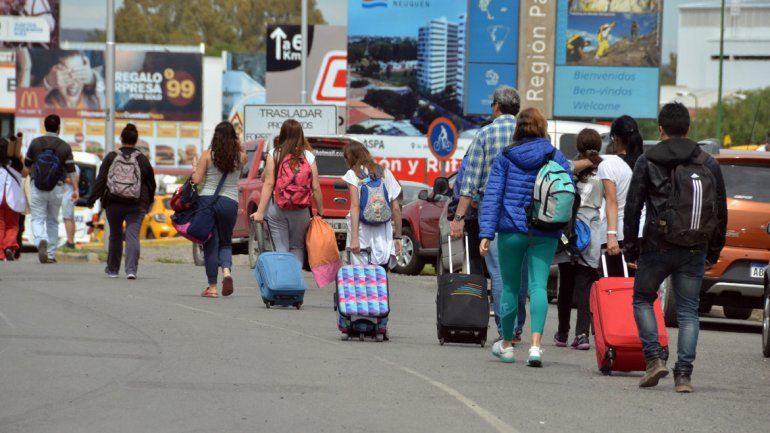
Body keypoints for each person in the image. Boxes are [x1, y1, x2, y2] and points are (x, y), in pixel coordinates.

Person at [625, 103, 727, 393]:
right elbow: (720, 211)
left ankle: (654, 358)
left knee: (643, 299)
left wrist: (631, 248)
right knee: (688, 312)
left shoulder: (647, 160)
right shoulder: (708, 163)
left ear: (661, 129)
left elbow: (633, 207)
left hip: (657, 246)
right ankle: (683, 375)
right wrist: (714, 251)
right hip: (695, 246)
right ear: (688, 128)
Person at [479, 108, 573, 366]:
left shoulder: (505, 157)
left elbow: (493, 196)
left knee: (509, 286)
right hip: (546, 230)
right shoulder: (556, 156)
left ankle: (507, 345)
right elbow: (568, 190)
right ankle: (535, 347)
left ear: (518, 128)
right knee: (538, 286)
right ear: (542, 127)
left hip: (511, 230)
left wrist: (486, 232)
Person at [554, 129, 605, 350]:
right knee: (585, 285)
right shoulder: (604, 170)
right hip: (591, 233)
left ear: (578, 145)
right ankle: (582, 334)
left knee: (565, 284)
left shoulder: (569, 167)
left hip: (568, 230)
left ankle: (562, 333)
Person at [251, 119, 324, 266]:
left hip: (278, 207)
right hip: (302, 209)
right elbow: (315, 187)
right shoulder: (308, 156)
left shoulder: (275, 154)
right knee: (297, 247)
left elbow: (269, 183)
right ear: (300, 135)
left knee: (281, 248)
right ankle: (295, 281)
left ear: (282, 134)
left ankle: (284, 283)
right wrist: (320, 212)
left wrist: (259, 212)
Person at [88, 124, 156, 279]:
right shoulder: (142, 159)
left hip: (114, 202)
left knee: (115, 235)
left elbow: (101, 180)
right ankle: (131, 270)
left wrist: (92, 200)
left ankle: (112, 270)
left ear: (121, 138)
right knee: (132, 235)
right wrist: (149, 202)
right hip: (136, 204)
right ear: (136, 139)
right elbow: (151, 183)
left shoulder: (111, 157)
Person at [192, 122, 247, 297]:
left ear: (215, 136)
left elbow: (196, 180)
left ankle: (213, 287)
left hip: (208, 201)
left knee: (210, 244)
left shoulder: (207, 155)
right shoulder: (241, 157)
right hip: (230, 202)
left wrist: (194, 168)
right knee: (225, 242)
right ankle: (227, 272)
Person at [25, 114, 78, 263]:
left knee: (37, 219)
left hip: (38, 187)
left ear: (44, 126)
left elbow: (26, 167)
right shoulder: (64, 146)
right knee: (53, 221)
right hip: (57, 188)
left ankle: (41, 240)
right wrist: (76, 189)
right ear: (59, 128)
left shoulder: (35, 143)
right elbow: (72, 171)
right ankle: (51, 254)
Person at [341, 140, 402, 267]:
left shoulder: (353, 175)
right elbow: (396, 208)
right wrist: (398, 237)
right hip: (383, 236)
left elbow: (355, 206)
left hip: (362, 235)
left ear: (350, 158)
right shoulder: (385, 172)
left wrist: (354, 238)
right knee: (380, 280)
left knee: (362, 280)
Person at [598, 115, 642, 277]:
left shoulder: (609, 165)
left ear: (615, 138)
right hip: (644, 235)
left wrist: (611, 236)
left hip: (620, 236)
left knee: (616, 290)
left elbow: (611, 201)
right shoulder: (646, 162)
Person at [0, 135, 28, 261]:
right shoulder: (15, 162)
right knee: (12, 225)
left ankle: (0, 253)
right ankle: (9, 247)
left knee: (0, 225)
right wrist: (19, 157)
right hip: (13, 197)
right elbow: (26, 173)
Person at [61, 164, 80, 249]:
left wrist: (62, 178)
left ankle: (70, 242)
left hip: (68, 195)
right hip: (67, 195)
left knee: (67, 218)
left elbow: (75, 180)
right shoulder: (71, 166)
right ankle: (71, 240)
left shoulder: (73, 167)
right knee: (70, 218)